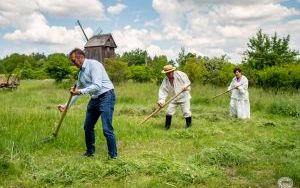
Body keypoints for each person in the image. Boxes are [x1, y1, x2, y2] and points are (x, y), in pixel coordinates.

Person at [58, 48, 117, 158]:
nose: (73, 63)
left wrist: (79, 91)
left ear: (80, 57)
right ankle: (90, 152)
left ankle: (113, 157)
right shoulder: (81, 74)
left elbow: (97, 85)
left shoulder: (94, 65)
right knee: (87, 126)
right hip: (94, 99)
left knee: (106, 129)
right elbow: (76, 93)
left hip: (106, 96)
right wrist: (66, 106)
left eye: (73, 60)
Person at [157, 65, 192, 129]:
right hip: (173, 98)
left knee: (186, 112)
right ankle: (167, 128)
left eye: (170, 72)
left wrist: (185, 86)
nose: (168, 74)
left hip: (184, 97)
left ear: (173, 71)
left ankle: (189, 127)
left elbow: (187, 82)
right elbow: (163, 91)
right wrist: (161, 101)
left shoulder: (180, 74)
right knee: (168, 112)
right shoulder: (165, 80)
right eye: (167, 73)